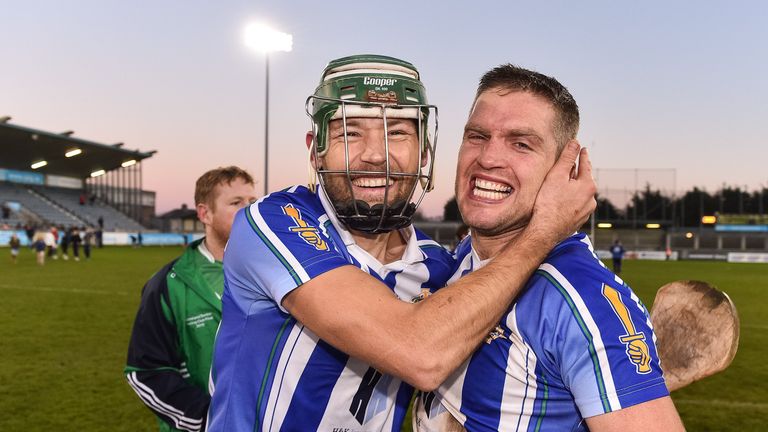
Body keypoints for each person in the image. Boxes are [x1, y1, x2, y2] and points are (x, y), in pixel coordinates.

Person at [207, 55, 595, 432]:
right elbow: (418, 352)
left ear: (424, 151)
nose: (375, 154)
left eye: (397, 132)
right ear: (316, 149)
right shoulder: (273, 223)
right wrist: (545, 230)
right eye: (350, 132)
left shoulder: (441, 267)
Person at [414, 65, 683, 431]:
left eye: (521, 143)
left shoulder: (583, 299)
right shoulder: (462, 259)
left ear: (564, 171)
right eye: (477, 136)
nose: (488, 158)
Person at [125, 166, 257, 432]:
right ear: (204, 213)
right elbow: (146, 371)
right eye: (236, 203)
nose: (249, 211)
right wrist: (208, 417)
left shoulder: (277, 274)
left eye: (252, 202)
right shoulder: (167, 284)